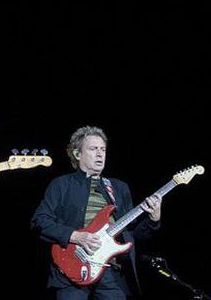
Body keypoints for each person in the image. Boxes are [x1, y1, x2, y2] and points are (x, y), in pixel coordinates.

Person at [31, 126, 162, 300]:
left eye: (103, 149)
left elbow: (132, 236)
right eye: (93, 149)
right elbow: (39, 221)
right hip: (72, 268)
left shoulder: (119, 188)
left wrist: (153, 219)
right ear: (77, 154)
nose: (100, 154)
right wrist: (75, 236)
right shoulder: (61, 184)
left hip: (112, 274)